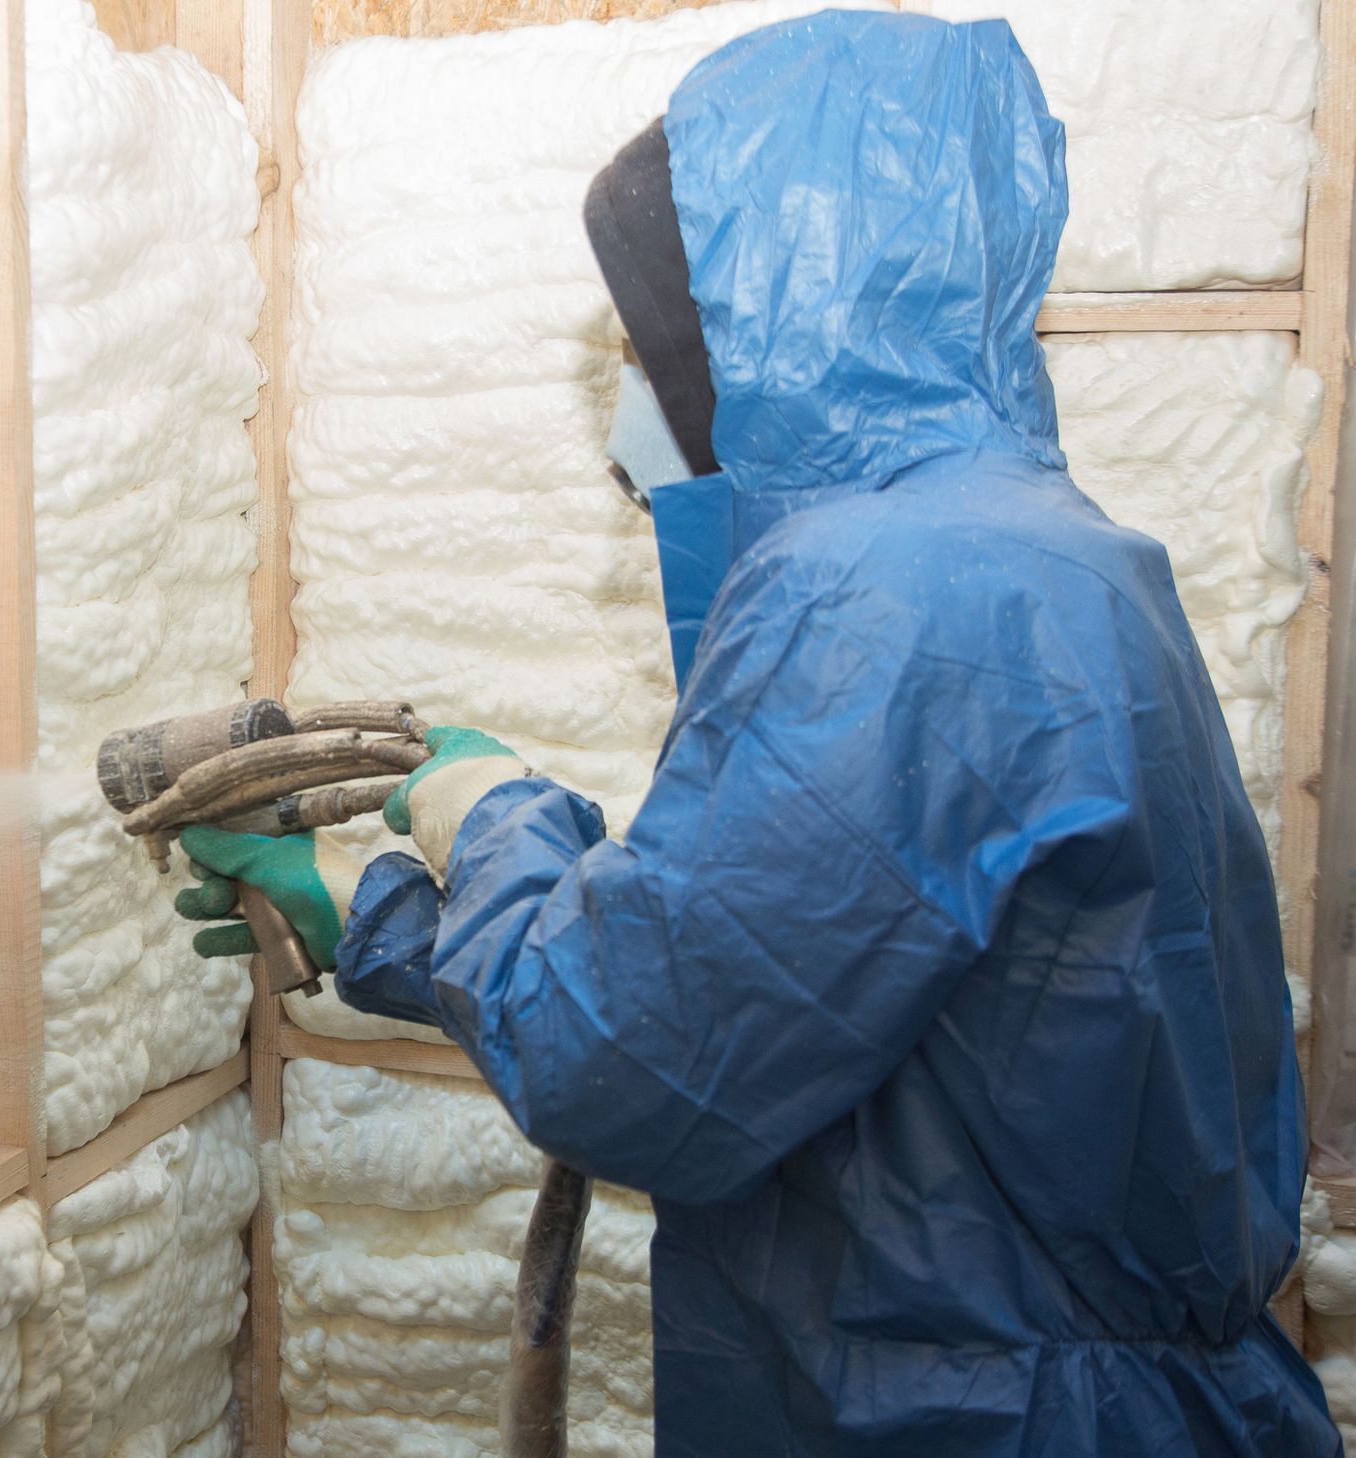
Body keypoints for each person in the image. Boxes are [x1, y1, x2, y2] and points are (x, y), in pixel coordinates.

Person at [174, 11, 1342, 1454]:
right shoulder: (1028, 559)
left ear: (762, 323)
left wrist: (484, 814)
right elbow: (783, 971)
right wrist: (377, 917)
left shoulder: (897, 595)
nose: (625, 414)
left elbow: (632, 1061)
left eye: (645, 343)